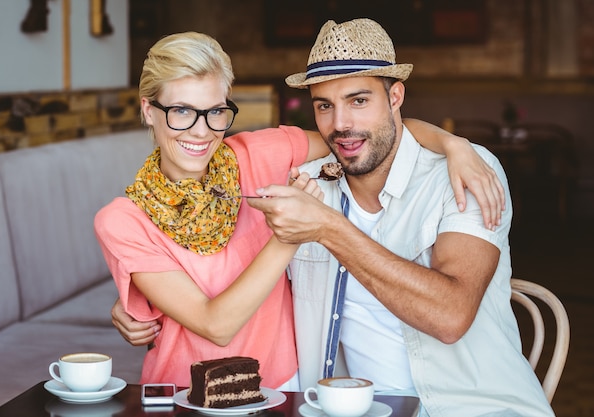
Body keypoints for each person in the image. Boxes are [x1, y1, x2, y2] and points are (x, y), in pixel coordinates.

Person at [99, 30, 505, 393]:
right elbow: (215, 325)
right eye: (181, 111)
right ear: (149, 110)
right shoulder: (122, 220)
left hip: (282, 389)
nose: (202, 131)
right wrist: (292, 233)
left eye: (216, 112)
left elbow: (360, 138)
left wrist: (454, 144)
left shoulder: (260, 156)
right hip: (180, 393)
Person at [246, 19, 553, 416]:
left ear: (395, 97)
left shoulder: (462, 175)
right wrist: (149, 307)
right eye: (324, 105)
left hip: (472, 408)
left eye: (358, 101)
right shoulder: (310, 186)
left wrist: (330, 228)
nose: (340, 124)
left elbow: (450, 316)